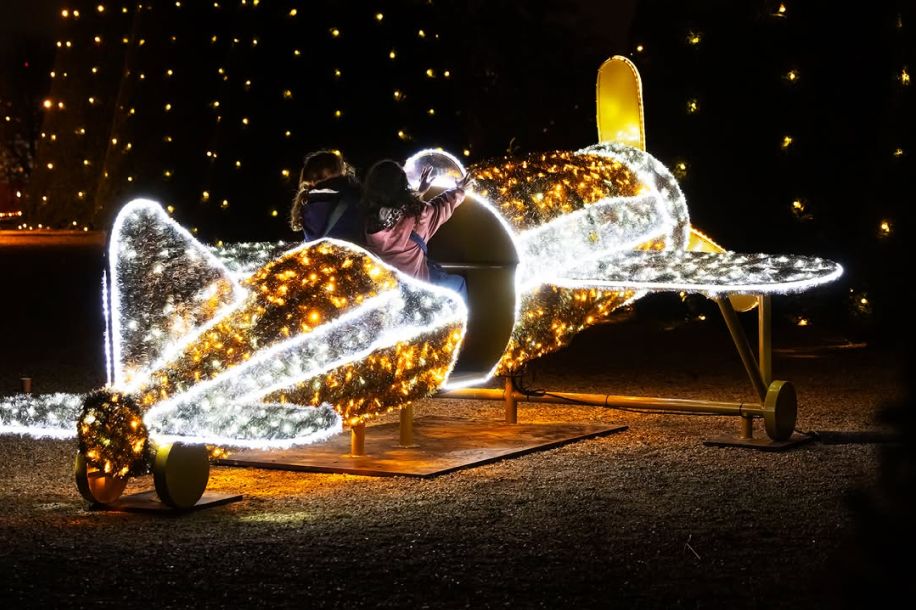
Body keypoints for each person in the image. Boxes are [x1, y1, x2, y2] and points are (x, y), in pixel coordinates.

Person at [363, 160, 471, 301]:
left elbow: (393, 209)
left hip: (386, 291)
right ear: (403, 184)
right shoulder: (418, 215)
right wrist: (460, 189)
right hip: (415, 290)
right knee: (458, 283)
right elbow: (441, 206)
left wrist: (420, 191)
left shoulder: (369, 220)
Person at [289, 150, 363, 244]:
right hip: (354, 257)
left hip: (318, 257)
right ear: (336, 171)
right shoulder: (354, 196)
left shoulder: (305, 203)